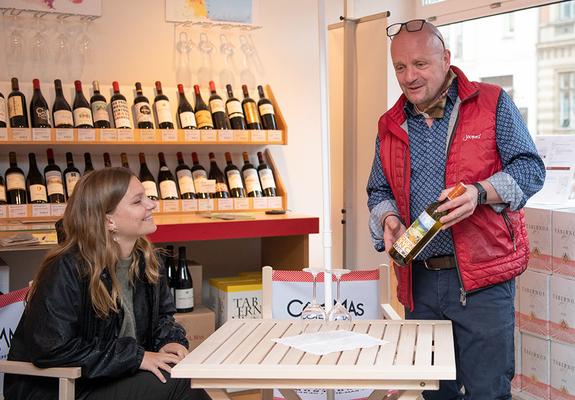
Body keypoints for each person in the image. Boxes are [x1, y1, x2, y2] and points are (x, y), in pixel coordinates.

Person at [367, 20, 545, 400]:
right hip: (420, 283)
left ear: (446, 58)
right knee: (434, 392)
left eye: (420, 64)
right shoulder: (389, 124)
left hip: (482, 282)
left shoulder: (492, 102)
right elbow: (378, 189)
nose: (409, 77)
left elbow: (531, 169)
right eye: (399, 67)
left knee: (486, 392)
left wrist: (481, 193)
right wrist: (388, 218)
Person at [4, 167, 209, 400]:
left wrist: (170, 341)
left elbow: (163, 317)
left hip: (111, 376)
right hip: (60, 387)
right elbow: (52, 348)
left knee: (183, 377)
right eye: (137, 201)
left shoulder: (146, 259)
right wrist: (136, 357)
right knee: (178, 385)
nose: (151, 204)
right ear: (108, 219)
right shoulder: (66, 268)